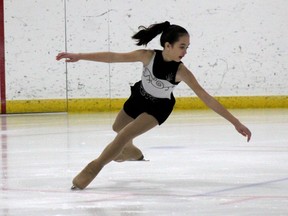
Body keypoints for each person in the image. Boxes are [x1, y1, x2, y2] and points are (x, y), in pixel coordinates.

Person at [56, 21, 252, 190]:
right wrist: (80, 55)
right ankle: (132, 152)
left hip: (157, 108)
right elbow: (114, 57)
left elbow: (206, 97)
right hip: (139, 97)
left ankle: (92, 169)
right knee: (118, 129)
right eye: (182, 46)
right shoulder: (147, 56)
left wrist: (236, 122)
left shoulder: (181, 71)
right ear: (168, 45)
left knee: (124, 134)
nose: (185, 52)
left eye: (187, 47)